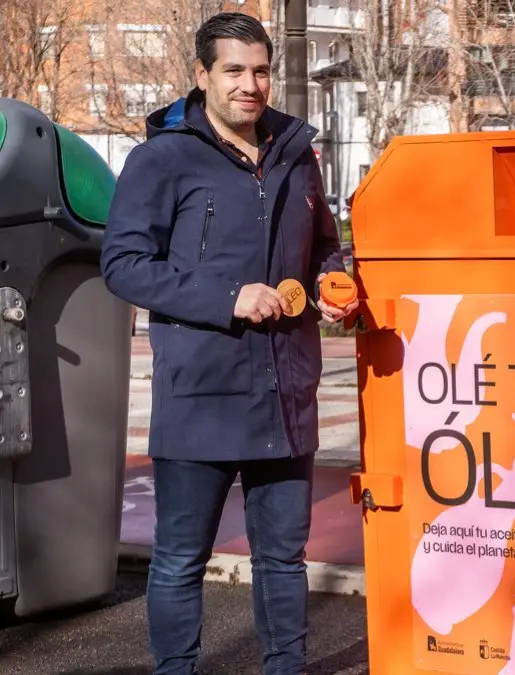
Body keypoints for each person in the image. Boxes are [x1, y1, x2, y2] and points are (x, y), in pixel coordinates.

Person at [99, 13, 357, 674]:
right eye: (235, 70)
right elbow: (124, 264)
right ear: (202, 75)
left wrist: (333, 278)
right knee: (182, 557)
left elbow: (325, 246)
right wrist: (227, 297)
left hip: (285, 390)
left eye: (261, 70)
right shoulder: (162, 159)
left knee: (283, 557)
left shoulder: (297, 155)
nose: (251, 85)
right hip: (201, 393)